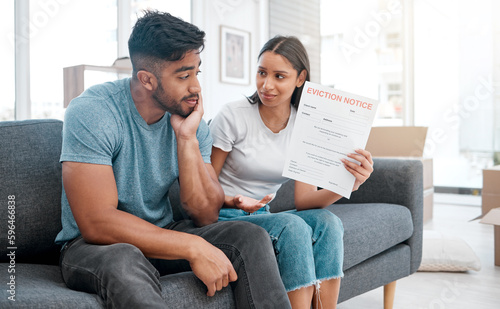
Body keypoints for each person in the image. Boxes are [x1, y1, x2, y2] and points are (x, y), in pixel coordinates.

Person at [55, 11, 291, 309]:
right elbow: (97, 222)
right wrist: (192, 246)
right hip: (93, 248)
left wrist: (186, 140)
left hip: (163, 232)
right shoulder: (93, 112)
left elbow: (205, 214)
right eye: (183, 75)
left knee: (251, 237)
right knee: (124, 257)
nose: (196, 87)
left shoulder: (189, 118)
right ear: (147, 79)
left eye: (196, 72)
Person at [209, 36, 374, 309]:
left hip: (262, 217)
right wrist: (233, 201)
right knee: (293, 227)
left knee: (328, 223)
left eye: (279, 76)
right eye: (262, 73)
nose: (266, 84)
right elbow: (205, 187)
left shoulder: (304, 124)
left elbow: (304, 200)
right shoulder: (233, 116)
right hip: (224, 218)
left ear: (300, 79)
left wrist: (350, 184)